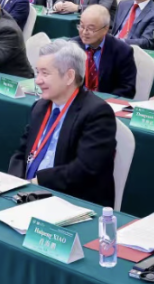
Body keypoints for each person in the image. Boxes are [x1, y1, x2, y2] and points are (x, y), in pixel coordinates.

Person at [9, 39, 117, 206]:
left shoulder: (97, 113)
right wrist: (16, 182)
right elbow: (22, 151)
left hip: (72, 201)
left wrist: (38, 182)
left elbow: (85, 169)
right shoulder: (40, 107)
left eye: (45, 73)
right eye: (37, 72)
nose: (37, 80)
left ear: (69, 76)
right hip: (29, 193)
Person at [76, 4, 136, 97]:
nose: (84, 32)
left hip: (106, 104)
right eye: (82, 26)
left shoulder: (122, 51)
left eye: (91, 28)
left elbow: (127, 89)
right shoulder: (72, 47)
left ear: (105, 29)